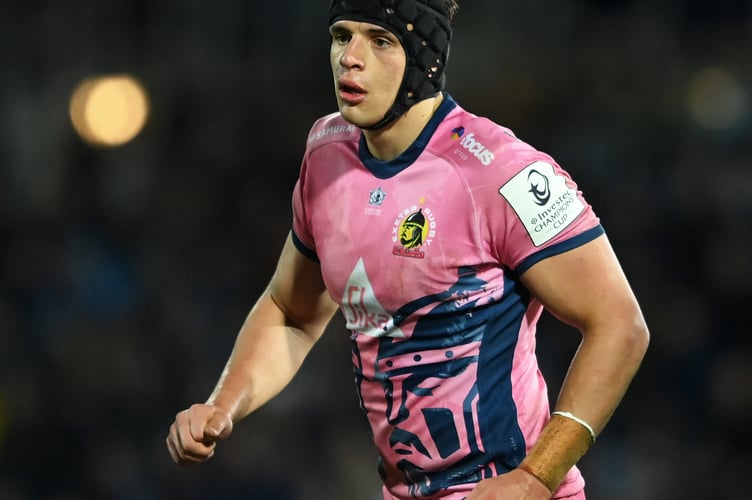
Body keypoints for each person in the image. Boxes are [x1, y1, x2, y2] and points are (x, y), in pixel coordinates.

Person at [166, 1, 650, 498]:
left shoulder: (502, 171)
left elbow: (620, 325)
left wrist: (536, 476)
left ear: (425, 59)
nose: (349, 58)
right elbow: (292, 312)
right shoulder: (326, 153)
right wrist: (221, 405)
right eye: (341, 36)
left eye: (380, 41)